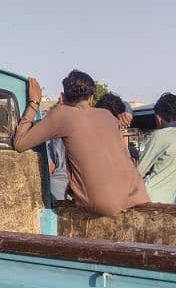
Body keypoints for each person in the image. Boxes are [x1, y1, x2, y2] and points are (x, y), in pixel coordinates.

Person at [13, 70, 149, 216]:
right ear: (91, 98)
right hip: (138, 195)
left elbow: (20, 143)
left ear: (62, 97)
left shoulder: (62, 114)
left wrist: (34, 103)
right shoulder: (107, 115)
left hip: (104, 206)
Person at [137, 93, 176, 204]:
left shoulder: (159, 136)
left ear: (158, 118)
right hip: (168, 200)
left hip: (148, 197)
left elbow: (138, 171)